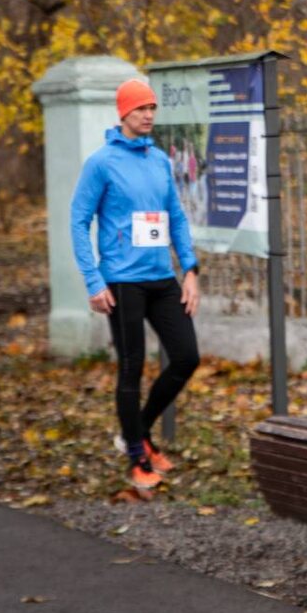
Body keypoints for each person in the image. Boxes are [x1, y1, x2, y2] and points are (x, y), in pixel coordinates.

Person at [70, 78, 202, 491]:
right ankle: (135, 456)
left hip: (161, 278)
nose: (148, 115)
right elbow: (78, 221)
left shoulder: (160, 160)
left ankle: (138, 430)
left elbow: (176, 217)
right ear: (123, 114)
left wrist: (191, 271)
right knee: (132, 368)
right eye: (140, 109)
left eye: (151, 109)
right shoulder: (101, 163)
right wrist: (94, 281)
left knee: (185, 357)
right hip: (122, 282)